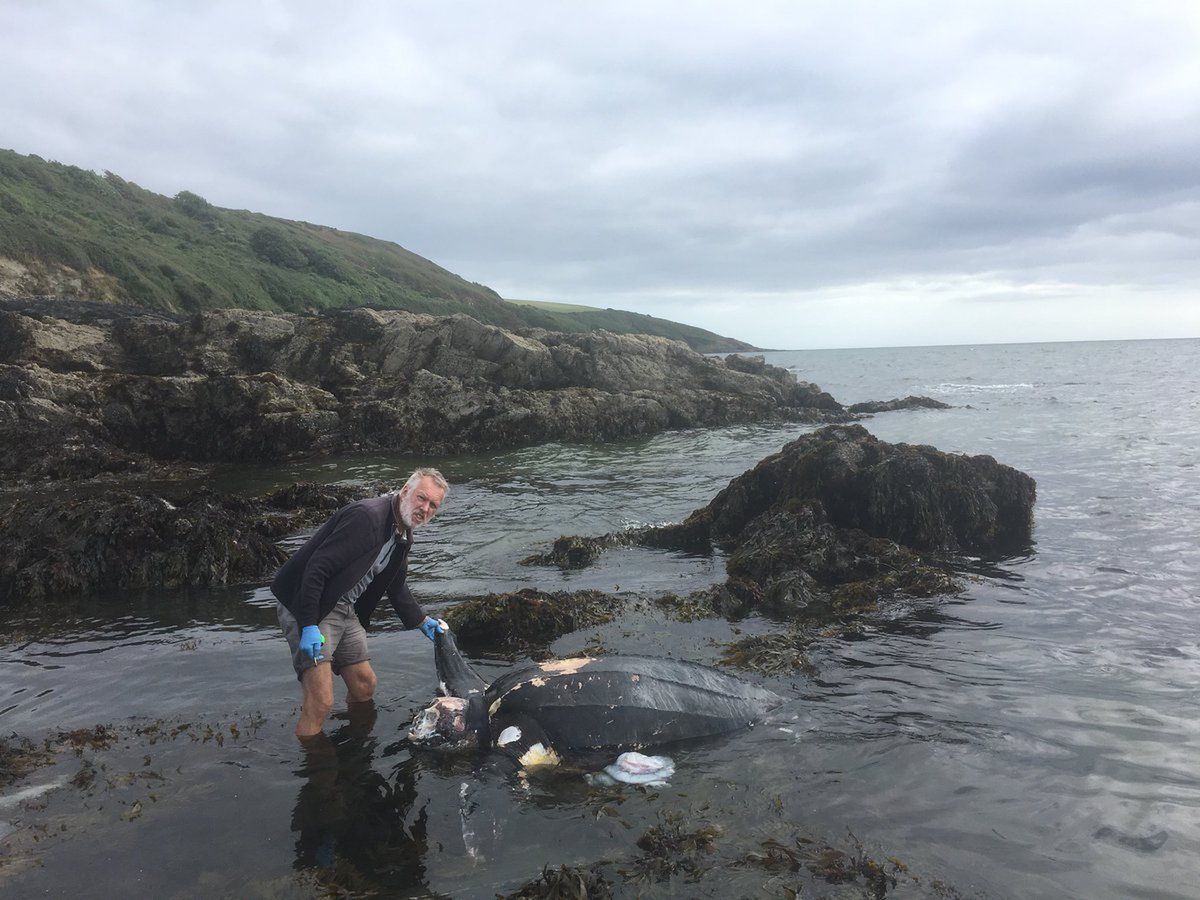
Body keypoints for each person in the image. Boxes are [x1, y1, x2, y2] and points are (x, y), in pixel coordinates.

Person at [273, 467, 449, 737]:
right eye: (421, 498)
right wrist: (308, 624)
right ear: (405, 492)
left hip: (343, 606)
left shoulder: (402, 535)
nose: (425, 508)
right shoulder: (367, 518)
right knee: (321, 702)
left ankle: (353, 749)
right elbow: (316, 568)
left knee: (364, 685)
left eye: (433, 505)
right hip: (309, 603)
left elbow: (397, 586)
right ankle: (318, 772)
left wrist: (423, 621)